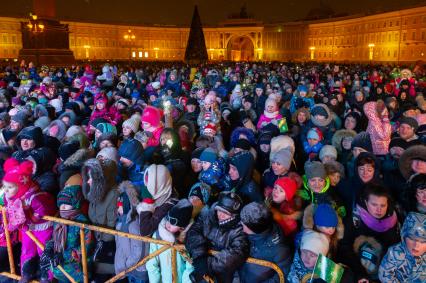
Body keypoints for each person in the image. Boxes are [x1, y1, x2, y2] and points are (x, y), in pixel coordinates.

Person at [2, 158, 56, 282]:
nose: (6, 190)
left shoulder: (35, 197)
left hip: (43, 227)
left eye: (9, 187)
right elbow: (8, 205)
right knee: (27, 249)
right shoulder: (11, 196)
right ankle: (26, 273)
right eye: (4, 186)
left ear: (21, 185)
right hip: (27, 227)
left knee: (43, 250)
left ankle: (47, 276)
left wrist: (29, 217)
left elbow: (42, 211)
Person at [185, 191, 249, 283]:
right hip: (202, 270)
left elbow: (237, 252)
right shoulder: (208, 214)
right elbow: (193, 232)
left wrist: (208, 264)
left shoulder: (240, 228)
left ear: (234, 215)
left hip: (226, 277)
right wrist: (199, 255)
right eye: (219, 210)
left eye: (226, 213)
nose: (221, 215)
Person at [40, 185, 94, 283]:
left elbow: (86, 247)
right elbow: (53, 239)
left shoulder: (82, 223)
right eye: (61, 204)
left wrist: (64, 255)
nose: (63, 207)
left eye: (67, 204)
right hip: (61, 267)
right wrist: (49, 248)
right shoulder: (58, 221)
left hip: (77, 269)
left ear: (75, 204)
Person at [239, 202, 292, 282]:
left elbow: (281, 276)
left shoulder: (280, 250)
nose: (241, 227)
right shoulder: (249, 233)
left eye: (244, 225)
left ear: (255, 229)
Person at [146, 199, 194, 283]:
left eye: (173, 222)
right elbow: (152, 263)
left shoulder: (189, 239)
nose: (168, 224)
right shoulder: (158, 235)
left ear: (182, 227)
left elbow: (190, 266)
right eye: (168, 218)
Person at [379, 212, 425, 282]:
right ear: (404, 236)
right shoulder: (394, 253)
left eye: (423, 241)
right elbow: (384, 274)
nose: (416, 245)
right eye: (411, 238)